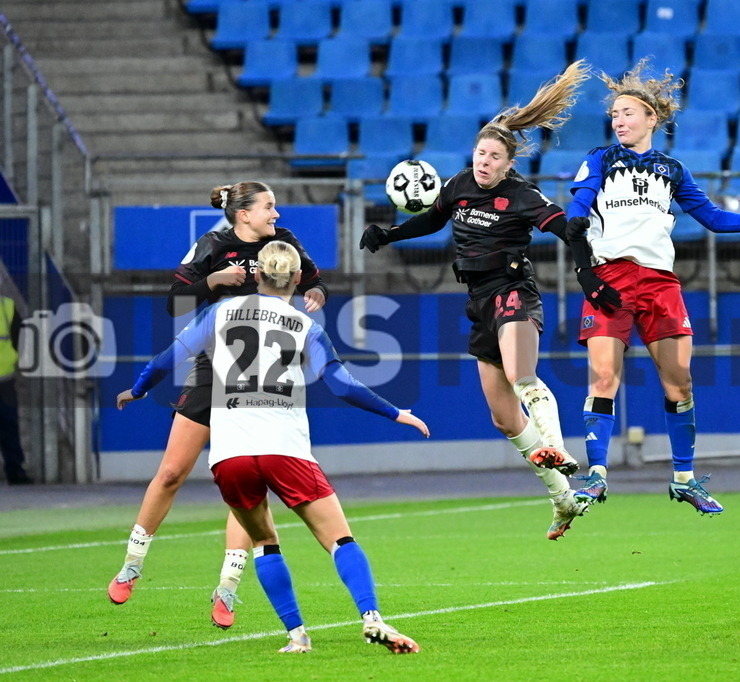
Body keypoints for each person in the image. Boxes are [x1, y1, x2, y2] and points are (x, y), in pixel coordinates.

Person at [116, 241, 425, 654]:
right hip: (285, 448)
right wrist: (394, 412)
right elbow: (340, 385)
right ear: (298, 279)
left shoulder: (219, 312)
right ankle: (372, 618)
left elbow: (163, 362)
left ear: (256, 274)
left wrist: (136, 390)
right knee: (340, 541)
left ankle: (297, 637)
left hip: (230, 455)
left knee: (264, 542)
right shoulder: (305, 326)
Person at [359, 60, 609, 540]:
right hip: (477, 300)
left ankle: (557, 446)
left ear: (509, 163)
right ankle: (561, 498)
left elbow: (562, 227)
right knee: (502, 417)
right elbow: (433, 219)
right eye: (480, 153)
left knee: (522, 377)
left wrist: (579, 250)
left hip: (513, 290)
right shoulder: (459, 184)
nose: (484, 161)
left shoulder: (521, 194)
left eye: (494, 156)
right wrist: (390, 234)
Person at [563, 59, 740, 513]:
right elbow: (579, 206)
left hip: (661, 284)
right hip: (609, 280)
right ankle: (597, 475)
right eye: (614, 115)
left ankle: (683, 478)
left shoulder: (672, 169)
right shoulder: (600, 158)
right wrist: (582, 253)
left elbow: (714, 218)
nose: (618, 120)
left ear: (650, 118)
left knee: (680, 384)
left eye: (626, 113)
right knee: (603, 377)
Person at [108, 181, 329, 630]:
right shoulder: (212, 245)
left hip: (263, 379)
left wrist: (317, 293)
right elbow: (175, 304)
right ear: (243, 213)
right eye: (269, 207)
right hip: (213, 369)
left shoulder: (283, 245)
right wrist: (213, 280)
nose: (276, 214)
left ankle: (226, 589)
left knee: (244, 487)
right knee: (171, 472)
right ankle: (132, 563)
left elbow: (312, 279)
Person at [0, 293, 31, 485]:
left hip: (5, 378)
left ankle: (15, 471)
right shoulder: (7, 305)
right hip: (5, 378)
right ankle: (15, 472)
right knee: (9, 425)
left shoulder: (7, 305)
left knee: (9, 426)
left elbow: (21, 338)